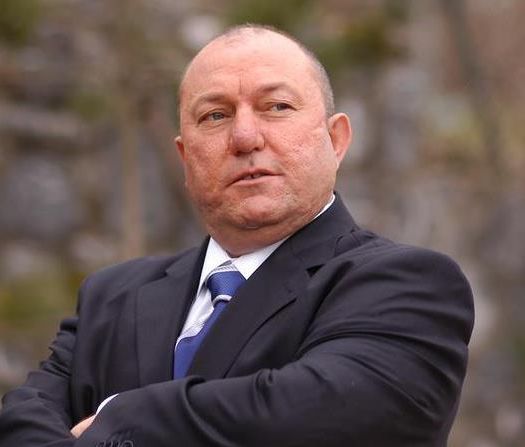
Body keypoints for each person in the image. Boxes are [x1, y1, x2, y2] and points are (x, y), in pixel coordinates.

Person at [0, 24, 474, 446]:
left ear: (336, 140)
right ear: (185, 158)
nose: (245, 137)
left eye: (277, 107)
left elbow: (327, 413)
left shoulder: (406, 285)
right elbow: (22, 420)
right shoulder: (112, 298)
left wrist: (119, 418)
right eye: (215, 115)